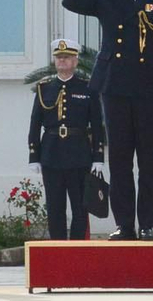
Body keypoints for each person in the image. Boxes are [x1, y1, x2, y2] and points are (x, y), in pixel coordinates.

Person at [60, 0, 153, 240]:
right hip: (114, 85)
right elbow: (70, 1)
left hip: (150, 87)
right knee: (121, 160)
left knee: (149, 160)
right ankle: (124, 224)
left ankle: (147, 223)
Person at [27, 39, 106, 241]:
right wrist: (33, 155)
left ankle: (77, 249)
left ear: (76, 61)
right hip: (51, 154)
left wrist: (98, 156)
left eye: (67, 57)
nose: (62, 61)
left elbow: (97, 125)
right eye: (59, 57)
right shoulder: (44, 89)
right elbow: (35, 123)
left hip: (79, 154)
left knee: (80, 207)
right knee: (55, 207)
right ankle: (57, 248)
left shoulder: (88, 88)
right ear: (54, 60)